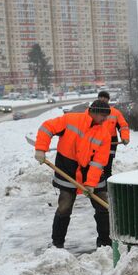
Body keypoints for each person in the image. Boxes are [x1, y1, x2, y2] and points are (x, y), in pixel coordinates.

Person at [34, 100, 113, 248]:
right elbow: (47, 127)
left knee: (103, 206)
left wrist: (90, 184)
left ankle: (105, 242)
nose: (105, 119)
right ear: (94, 112)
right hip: (67, 169)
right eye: (103, 115)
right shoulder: (71, 119)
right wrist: (40, 148)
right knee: (65, 206)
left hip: (91, 173)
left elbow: (98, 162)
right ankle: (57, 244)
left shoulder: (104, 134)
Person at [96, 91, 130, 179]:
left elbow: (123, 126)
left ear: (108, 100)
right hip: (95, 141)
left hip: (111, 142)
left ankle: (107, 183)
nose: (103, 99)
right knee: (95, 164)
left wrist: (125, 137)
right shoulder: (91, 111)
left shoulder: (115, 113)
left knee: (107, 165)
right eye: (101, 97)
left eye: (105, 98)